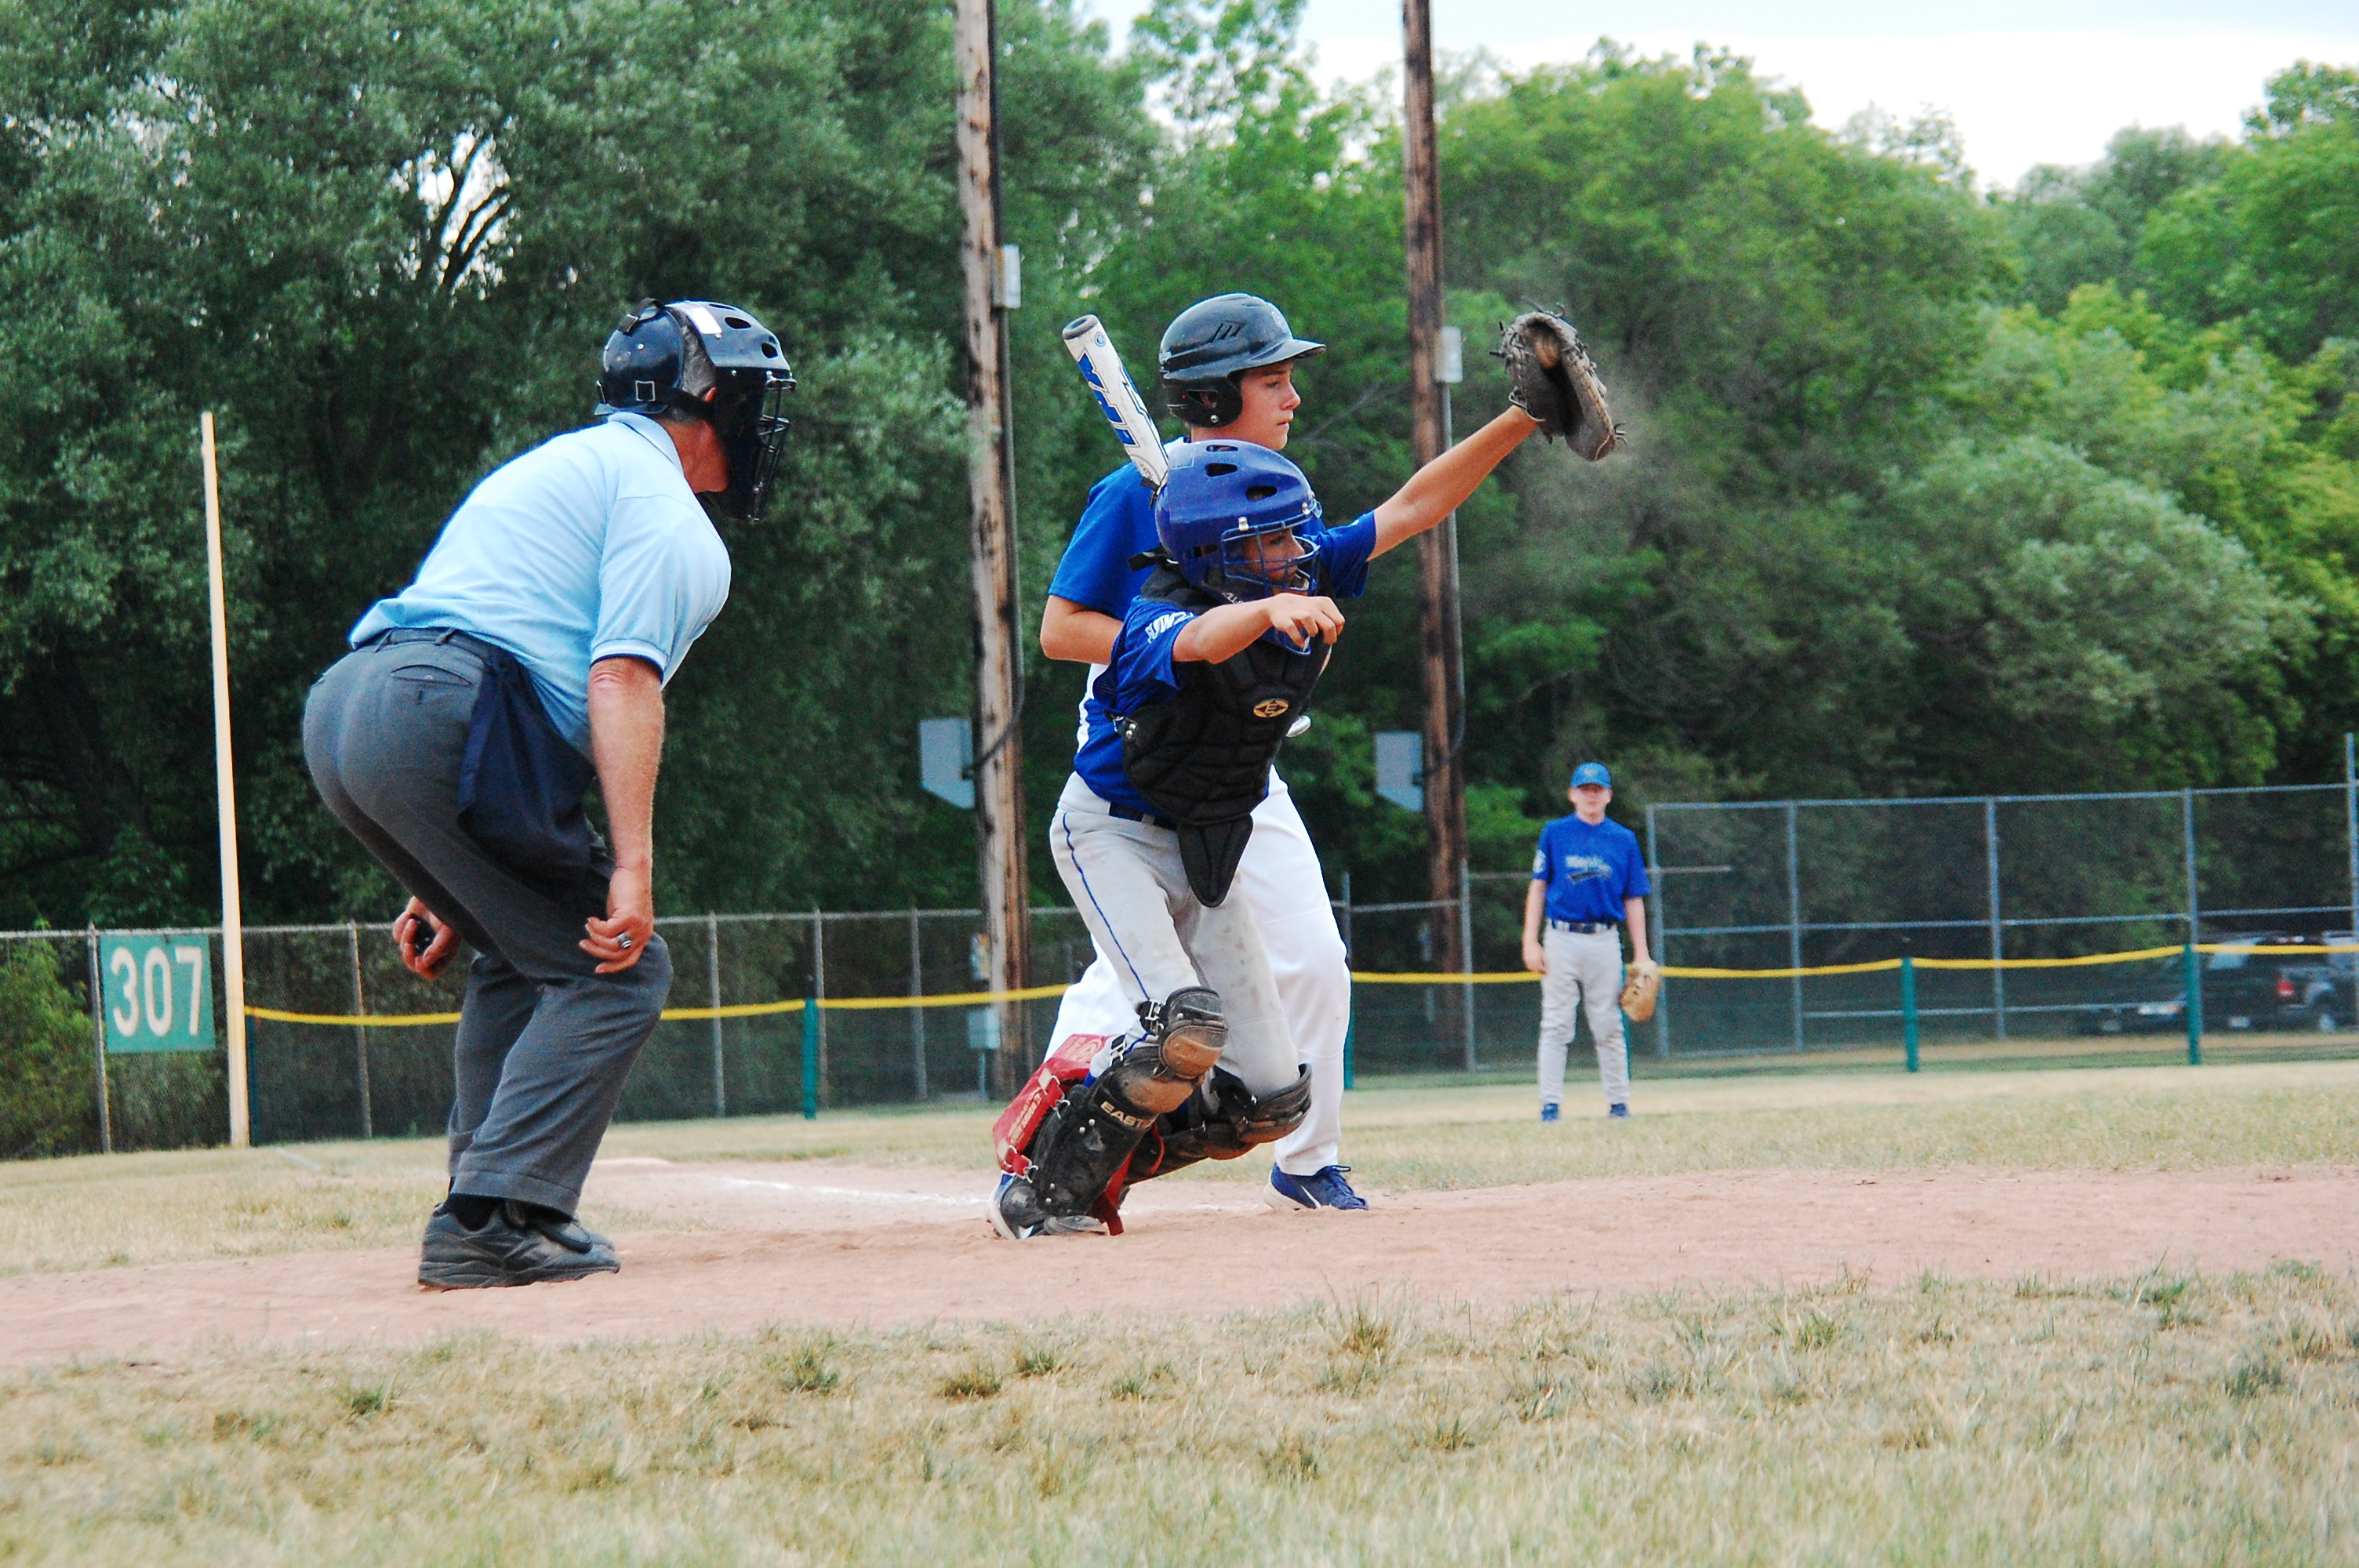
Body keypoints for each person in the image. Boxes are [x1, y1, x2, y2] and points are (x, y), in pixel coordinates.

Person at [302, 299, 793, 1287]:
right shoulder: (672, 518)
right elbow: (620, 678)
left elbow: (478, 635)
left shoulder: (558, 463)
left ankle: (494, 1200)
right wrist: (632, 867)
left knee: (528, 955)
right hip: (446, 715)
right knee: (619, 968)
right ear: (716, 405)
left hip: (350, 705)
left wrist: (446, 882)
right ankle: (489, 1217)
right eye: (753, 400)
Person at [993, 390, 1548, 1240]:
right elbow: (1195, 641)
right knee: (1182, 1027)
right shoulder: (1157, 611)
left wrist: (1523, 415)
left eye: (1296, 538)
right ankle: (1042, 1184)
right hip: (1112, 831)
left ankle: (1109, 1155)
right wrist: (1262, 611)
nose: (1297, 554)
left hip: (1210, 838)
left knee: (1270, 1099)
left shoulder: (1279, 570)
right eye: (1276, 541)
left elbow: (1412, 505)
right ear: (1218, 552)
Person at [1034, 293, 1365, 1212]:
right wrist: (1185, 647)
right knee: (1151, 991)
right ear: (1215, 396)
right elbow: (1060, 630)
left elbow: (1407, 512)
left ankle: (1305, 1160)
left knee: (1313, 960)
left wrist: (1519, 419)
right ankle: (1059, 1133)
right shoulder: (1133, 493)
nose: (1292, 395)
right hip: (1144, 757)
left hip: (1242, 769)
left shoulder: (1278, 495)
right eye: (1273, 378)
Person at [1522, 761, 1652, 1121]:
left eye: (1597, 789)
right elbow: (1538, 886)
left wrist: (1642, 954)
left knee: (1608, 1025)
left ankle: (1619, 1104)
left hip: (1604, 938)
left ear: (1609, 795)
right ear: (1572, 795)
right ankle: (1550, 1106)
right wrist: (1530, 941)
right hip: (1560, 937)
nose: (1591, 795)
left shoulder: (1623, 839)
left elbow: (1634, 898)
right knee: (1556, 1024)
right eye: (1585, 789)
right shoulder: (1555, 832)